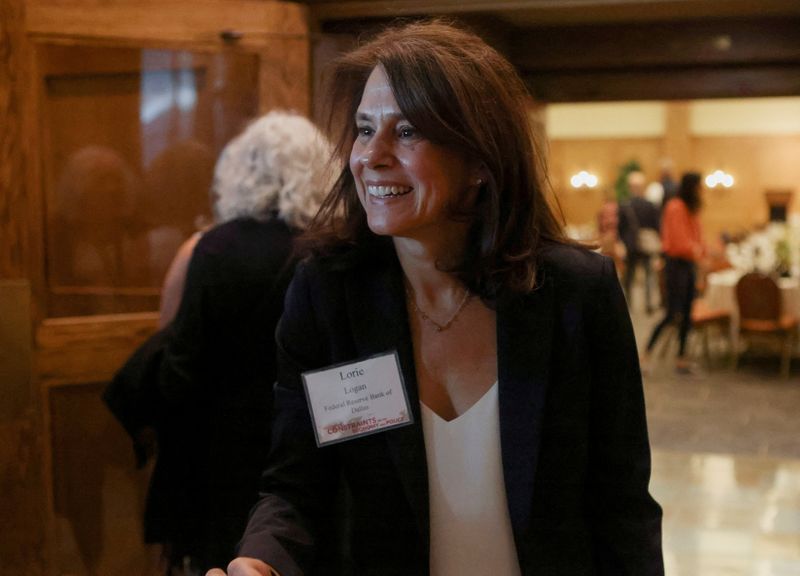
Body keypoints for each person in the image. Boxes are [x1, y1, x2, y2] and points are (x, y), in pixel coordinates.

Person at [211, 20, 663, 576]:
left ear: (479, 160)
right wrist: (261, 561)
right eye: (364, 128)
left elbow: (622, 505)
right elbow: (295, 483)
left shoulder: (575, 293)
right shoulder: (327, 293)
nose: (371, 156)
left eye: (406, 132)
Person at [105, 110, 333, 575]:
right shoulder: (329, 248)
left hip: (222, 455)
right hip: (309, 446)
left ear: (240, 171)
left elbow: (180, 373)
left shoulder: (214, 247)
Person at [641, 172, 705, 375]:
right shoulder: (675, 206)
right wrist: (696, 250)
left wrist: (700, 250)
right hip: (676, 266)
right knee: (672, 313)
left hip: (688, 266)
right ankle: (646, 353)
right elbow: (678, 242)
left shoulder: (689, 208)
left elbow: (697, 237)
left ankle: (681, 358)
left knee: (687, 314)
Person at [618, 170, 662, 314]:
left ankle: (628, 305)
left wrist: (624, 242)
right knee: (649, 274)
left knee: (629, 276)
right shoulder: (649, 204)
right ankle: (649, 304)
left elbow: (620, 228)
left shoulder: (624, 205)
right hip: (646, 245)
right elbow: (657, 226)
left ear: (630, 187)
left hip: (630, 246)